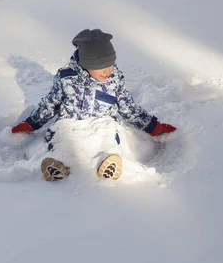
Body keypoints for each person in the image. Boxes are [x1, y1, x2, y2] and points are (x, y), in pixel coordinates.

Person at [11, 28, 176, 181]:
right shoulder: (66, 78)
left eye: (110, 64)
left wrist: (153, 127)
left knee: (109, 138)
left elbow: (128, 108)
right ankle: (58, 165)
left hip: (103, 121)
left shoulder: (114, 81)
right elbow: (51, 103)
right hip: (70, 121)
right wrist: (32, 123)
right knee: (61, 138)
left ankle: (109, 163)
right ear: (87, 64)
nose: (107, 71)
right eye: (101, 67)